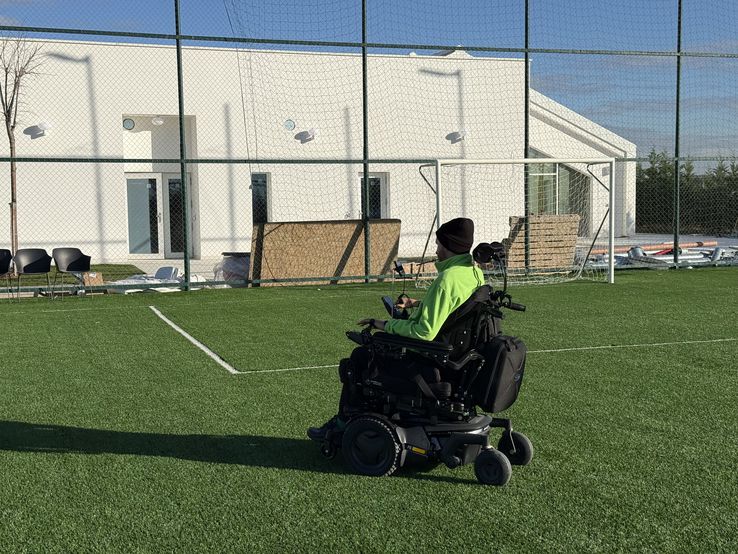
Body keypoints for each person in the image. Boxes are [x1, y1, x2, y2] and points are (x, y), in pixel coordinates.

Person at [308, 217, 484, 441]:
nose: (436, 249)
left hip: (431, 362)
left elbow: (424, 332)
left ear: (448, 246)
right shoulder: (473, 273)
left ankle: (342, 424)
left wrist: (382, 324)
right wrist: (417, 304)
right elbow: (455, 310)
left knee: (360, 358)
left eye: (439, 244)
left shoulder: (447, 280)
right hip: (457, 360)